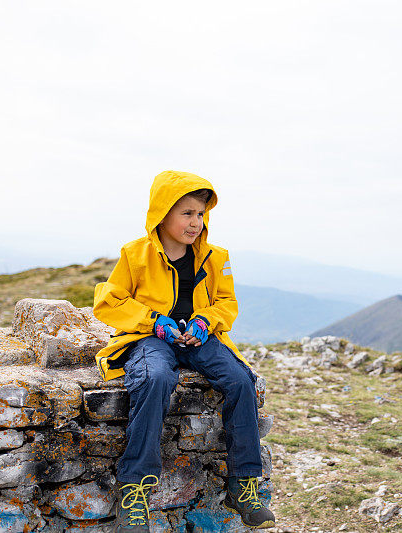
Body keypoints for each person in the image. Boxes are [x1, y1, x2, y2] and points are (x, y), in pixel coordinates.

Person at [93, 170, 276, 532]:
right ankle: (135, 491)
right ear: (162, 213)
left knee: (240, 380)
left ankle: (244, 486)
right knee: (156, 377)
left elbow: (226, 302)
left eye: (201, 214)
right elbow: (108, 301)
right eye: (187, 213)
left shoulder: (214, 256)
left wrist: (206, 321)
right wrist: (153, 321)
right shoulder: (135, 253)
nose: (196, 223)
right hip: (150, 337)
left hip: (198, 337)